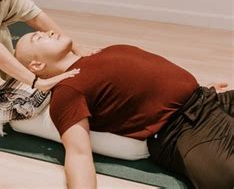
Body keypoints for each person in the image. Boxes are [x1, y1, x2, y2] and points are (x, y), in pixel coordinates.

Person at [14, 30, 233, 189]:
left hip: (208, 98)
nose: (49, 31)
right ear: (37, 66)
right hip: (184, 130)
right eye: (38, 37)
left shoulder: (103, 52)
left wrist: (199, 88)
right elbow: (78, 154)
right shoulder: (66, 92)